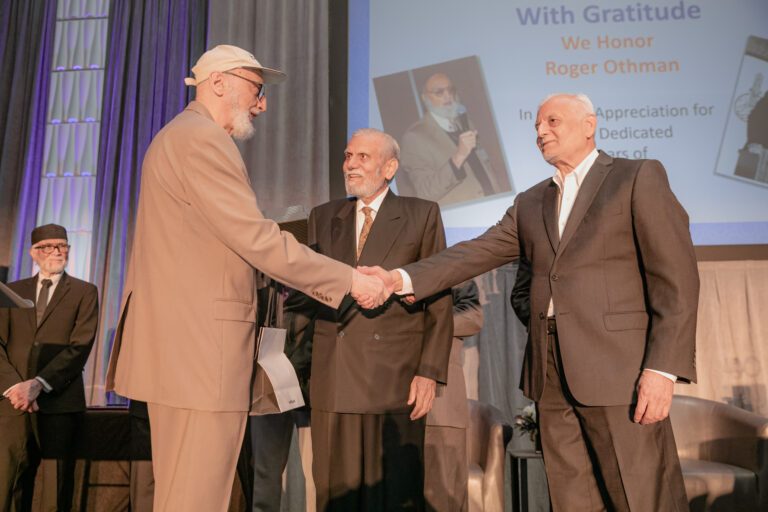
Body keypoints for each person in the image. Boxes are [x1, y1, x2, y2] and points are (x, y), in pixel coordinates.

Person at [362, 93, 699, 511]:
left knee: (641, 497)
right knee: (572, 498)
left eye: (553, 122)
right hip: (551, 373)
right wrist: (401, 277)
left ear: (589, 125)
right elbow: (477, 251)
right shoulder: (531, 200)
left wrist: (661, 369)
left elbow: (676, 280)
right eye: (537, 126)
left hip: (622, 373)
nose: (541, 132)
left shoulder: (636, 177)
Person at [105, 45, 388, 512]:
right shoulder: (201, 140)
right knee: (197, 498)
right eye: (256, 89)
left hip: (183, 355)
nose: (262, 103)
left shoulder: (178, 136)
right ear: (219, 82)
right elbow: (257, 240)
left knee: (182, 496)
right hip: (201, 356)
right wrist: (350, 280)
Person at [304, 128, 453, 511]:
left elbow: (438, 299)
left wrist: (431, 371)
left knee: (393, 493)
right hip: (334, 377)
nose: (351, 165)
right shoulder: (323, 217)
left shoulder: (422, 215)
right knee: (335, 493)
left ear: (390, 167)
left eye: (362, 158)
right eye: (347, 156)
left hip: (394, 380)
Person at [0, 223, 98, 512]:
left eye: (62, 245)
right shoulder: (10, 291)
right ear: (34, 252)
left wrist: (38, 384)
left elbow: (79, 347)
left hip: (59, 403)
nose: (57, 251)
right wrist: (15, 387)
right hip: (12, 402)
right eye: (49, 246)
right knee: (8, 484)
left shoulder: (85, 291)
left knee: (55, 489)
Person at [399, 73, 504, 207]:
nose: (448, 96)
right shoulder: (414, 137)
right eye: (439, 92)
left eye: (451, 90)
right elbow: (424, 192)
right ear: (425, 98)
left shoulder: (465, 122)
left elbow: (485, 166)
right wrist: (459, 156)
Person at [424, 280, 482, 512]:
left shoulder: (453, 270)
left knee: (444, 493)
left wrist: (426, 325)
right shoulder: (387, 267)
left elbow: (473, 316)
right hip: (390, 397)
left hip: (442, 398)